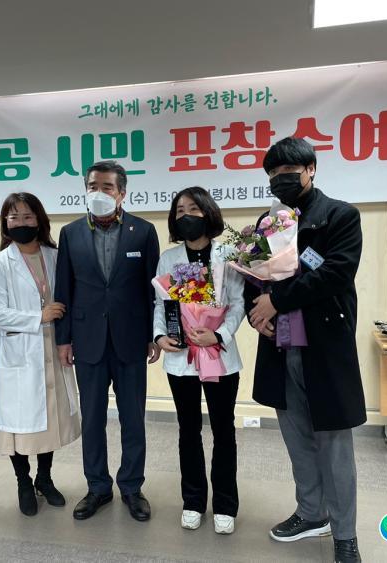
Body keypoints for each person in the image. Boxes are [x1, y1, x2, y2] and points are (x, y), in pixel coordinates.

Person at [246, 137, 365, 563]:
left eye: (288, 171)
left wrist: (277, 300)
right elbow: (254, 277)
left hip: (324, 345)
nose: (280, 179)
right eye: (273, 174)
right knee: (296, 437)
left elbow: (336, 273)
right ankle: (312, 512)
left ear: (311, 169)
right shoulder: (268, 222)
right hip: (281, 344)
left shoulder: (340, 216)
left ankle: (345, 533)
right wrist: (258, 313)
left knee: (333, 443)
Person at [54, 160, 160, 522]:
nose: (98, 193)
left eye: (107, 187)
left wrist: (154, 335)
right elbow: (64, 288)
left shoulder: (143, 231)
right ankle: (97, 486)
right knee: (93, 419)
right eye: (92, 186)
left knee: (133, 419)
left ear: (122, 193)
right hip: (87, 341)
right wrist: (64, 339)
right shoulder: (70, 233)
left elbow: (153, 290)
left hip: (131, 340)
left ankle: (131, 486)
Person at [153, 187, 245, 535]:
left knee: (223, 430)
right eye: (179, 211)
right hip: (182, 358)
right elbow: (162, 304)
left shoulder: (228, 254)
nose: (186, 216)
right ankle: (192, 501)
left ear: (208, 212)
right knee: (188, 430)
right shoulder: (169, 257)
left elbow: (237, 303)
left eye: (193, 208)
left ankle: (225, 504)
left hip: (219, 356)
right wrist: (160, 336)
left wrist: (218, 335)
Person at [0, 192, 81, 516]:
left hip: (53, 348)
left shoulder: (55, 256)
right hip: (21, 351)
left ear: (39, 220)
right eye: (14, 218)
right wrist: (37, 317)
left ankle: (44, 478)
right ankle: (23, 481)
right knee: (20, 421)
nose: (21, 223)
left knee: (49, 418)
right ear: (5, 223)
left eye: (28, 217)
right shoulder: (0, 263)